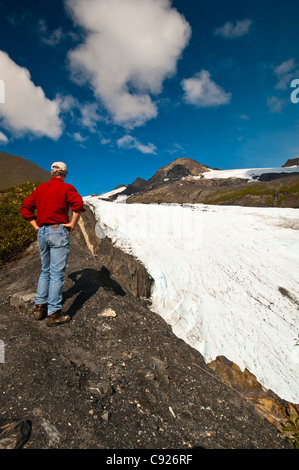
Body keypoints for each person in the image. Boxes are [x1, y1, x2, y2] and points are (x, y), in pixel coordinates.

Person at [21, 162, 85, 326]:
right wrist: (72, 223)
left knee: (46, 270)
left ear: (52, 173)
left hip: (42, 232)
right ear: (64, 174)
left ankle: (40, 308)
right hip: (58, 231)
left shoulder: (40, 190)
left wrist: (36, 226)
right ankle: (54, 313)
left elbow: (25, 209)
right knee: (56, 273)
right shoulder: (67, 188)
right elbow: (78, 204)